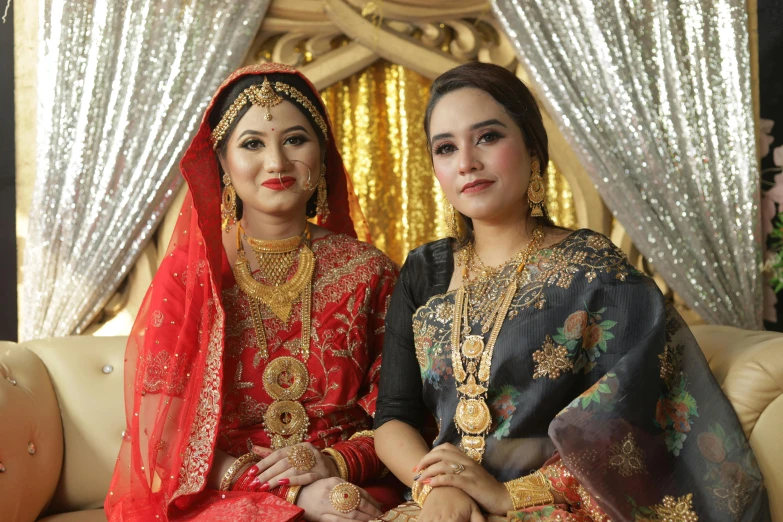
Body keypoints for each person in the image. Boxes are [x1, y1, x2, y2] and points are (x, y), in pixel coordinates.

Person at [373, 62, 770, 522]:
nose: (466, 163)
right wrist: (436, 490)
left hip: (551, 505)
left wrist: (510, 496)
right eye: (446, 148)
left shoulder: (596, 273)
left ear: (532, 149)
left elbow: (635, 424)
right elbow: (393, 417)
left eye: (487, 137)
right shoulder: (424, 270)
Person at [105, 63, 399, 521]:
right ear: (222, 161)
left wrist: (333, 466)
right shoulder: (191, 277)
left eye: (296, 140)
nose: (277, 162)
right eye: (252, 144)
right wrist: (289, 495)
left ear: (322, 153)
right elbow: (161, 433)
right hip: (228, 493)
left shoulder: (370, 270)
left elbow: (401, 415)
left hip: (350, 485)